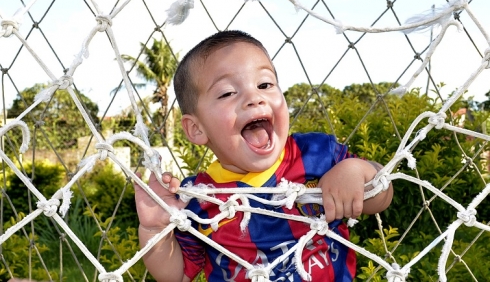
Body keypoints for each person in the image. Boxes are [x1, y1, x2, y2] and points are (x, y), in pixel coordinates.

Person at [134, 30, 393, 282]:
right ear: (197, 128)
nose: (254, 98)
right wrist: (154, 229)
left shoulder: (317, 155)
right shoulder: (199, 198)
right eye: (227, 93)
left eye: (265, 84)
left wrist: (357, 170)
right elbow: (177, 274)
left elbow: (380, 198)